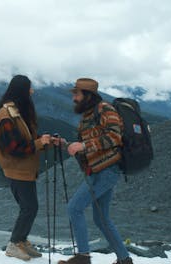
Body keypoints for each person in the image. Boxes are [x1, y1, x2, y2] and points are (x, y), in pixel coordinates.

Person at [56, 78, 133, 264]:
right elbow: (89, 145)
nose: (73, 98)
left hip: (106, 170)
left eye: (76, 94)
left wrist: (82, 145)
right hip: (100, 170)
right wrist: (66, 144)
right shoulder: (89, 114)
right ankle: (124, 260)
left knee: (75, 208)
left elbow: (114, 137)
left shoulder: (105, 109)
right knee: (101, 219)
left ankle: (83, 258)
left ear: (87, 95)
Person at [0, 75, 51, 261]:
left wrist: (44, 141)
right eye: (29, 88)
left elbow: (25, 138)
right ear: (21, 91)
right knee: (29, 208)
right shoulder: (6, 115)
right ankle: (14, 243)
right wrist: (39, 143)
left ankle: (22, 241)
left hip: (24, 168)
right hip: (17, 168)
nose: (32, 91)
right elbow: (14, 148)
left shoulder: (16, 111)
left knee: (29, 207)